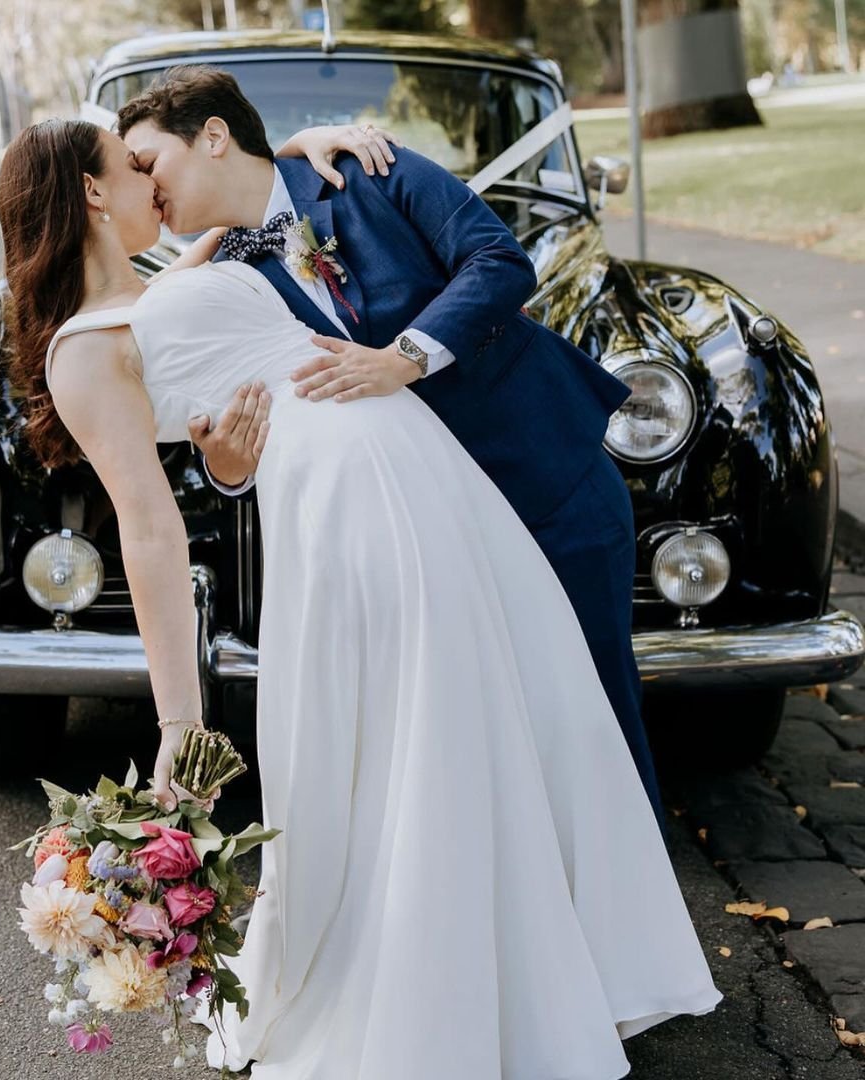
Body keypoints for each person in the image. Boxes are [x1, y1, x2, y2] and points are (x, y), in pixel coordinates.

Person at [0, 116, 722, 1079]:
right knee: (403, 746)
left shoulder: (181, 270)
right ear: (92, 194)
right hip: (344, 515)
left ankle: (549, 971)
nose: (148, 181)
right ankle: (433, 1007)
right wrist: (178, 719)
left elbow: (255, 193)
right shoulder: (83, 350)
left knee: (510, 717)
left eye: (152, 158)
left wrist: (305, 139)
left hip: (428, 474)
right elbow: (149, 526)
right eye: (129, 168)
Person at [117, 66, 668, 841]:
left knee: (592, 719)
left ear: (212, 137)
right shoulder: (223, 278)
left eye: (147, 163)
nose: (144, 186)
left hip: (543, 486)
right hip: (424, 539)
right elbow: (242, 411)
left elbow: (500, 262)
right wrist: (227, 465)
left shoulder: (370, 170)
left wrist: (402, 357)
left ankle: (634, 921)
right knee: (487, 748)